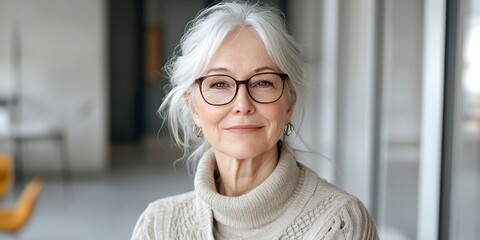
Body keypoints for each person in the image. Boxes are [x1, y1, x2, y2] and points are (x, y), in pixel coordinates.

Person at [132, 1, 378, 239]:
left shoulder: (340, 224)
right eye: (219, 83)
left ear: (289, 104)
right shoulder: (158, 226)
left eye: (263, 82)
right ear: (193, 107)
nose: (242, 104)